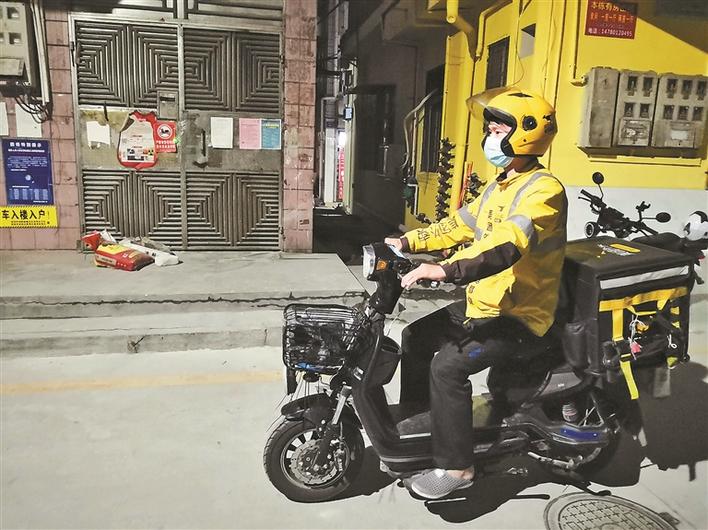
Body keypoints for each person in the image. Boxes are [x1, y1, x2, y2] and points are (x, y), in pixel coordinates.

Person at [384, 88, 567, 500]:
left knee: (447, 367)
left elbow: (506, 243)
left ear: (524, 135)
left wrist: (446, 269)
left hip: (520, 315)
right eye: (490, 129)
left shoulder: (543, 191)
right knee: (415, 337)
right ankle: (423, 423)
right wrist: (407, 243)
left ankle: (458, 467)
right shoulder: (498, 186)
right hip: (484, 303)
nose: (489, 137)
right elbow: (457, 226)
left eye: (498, 130)